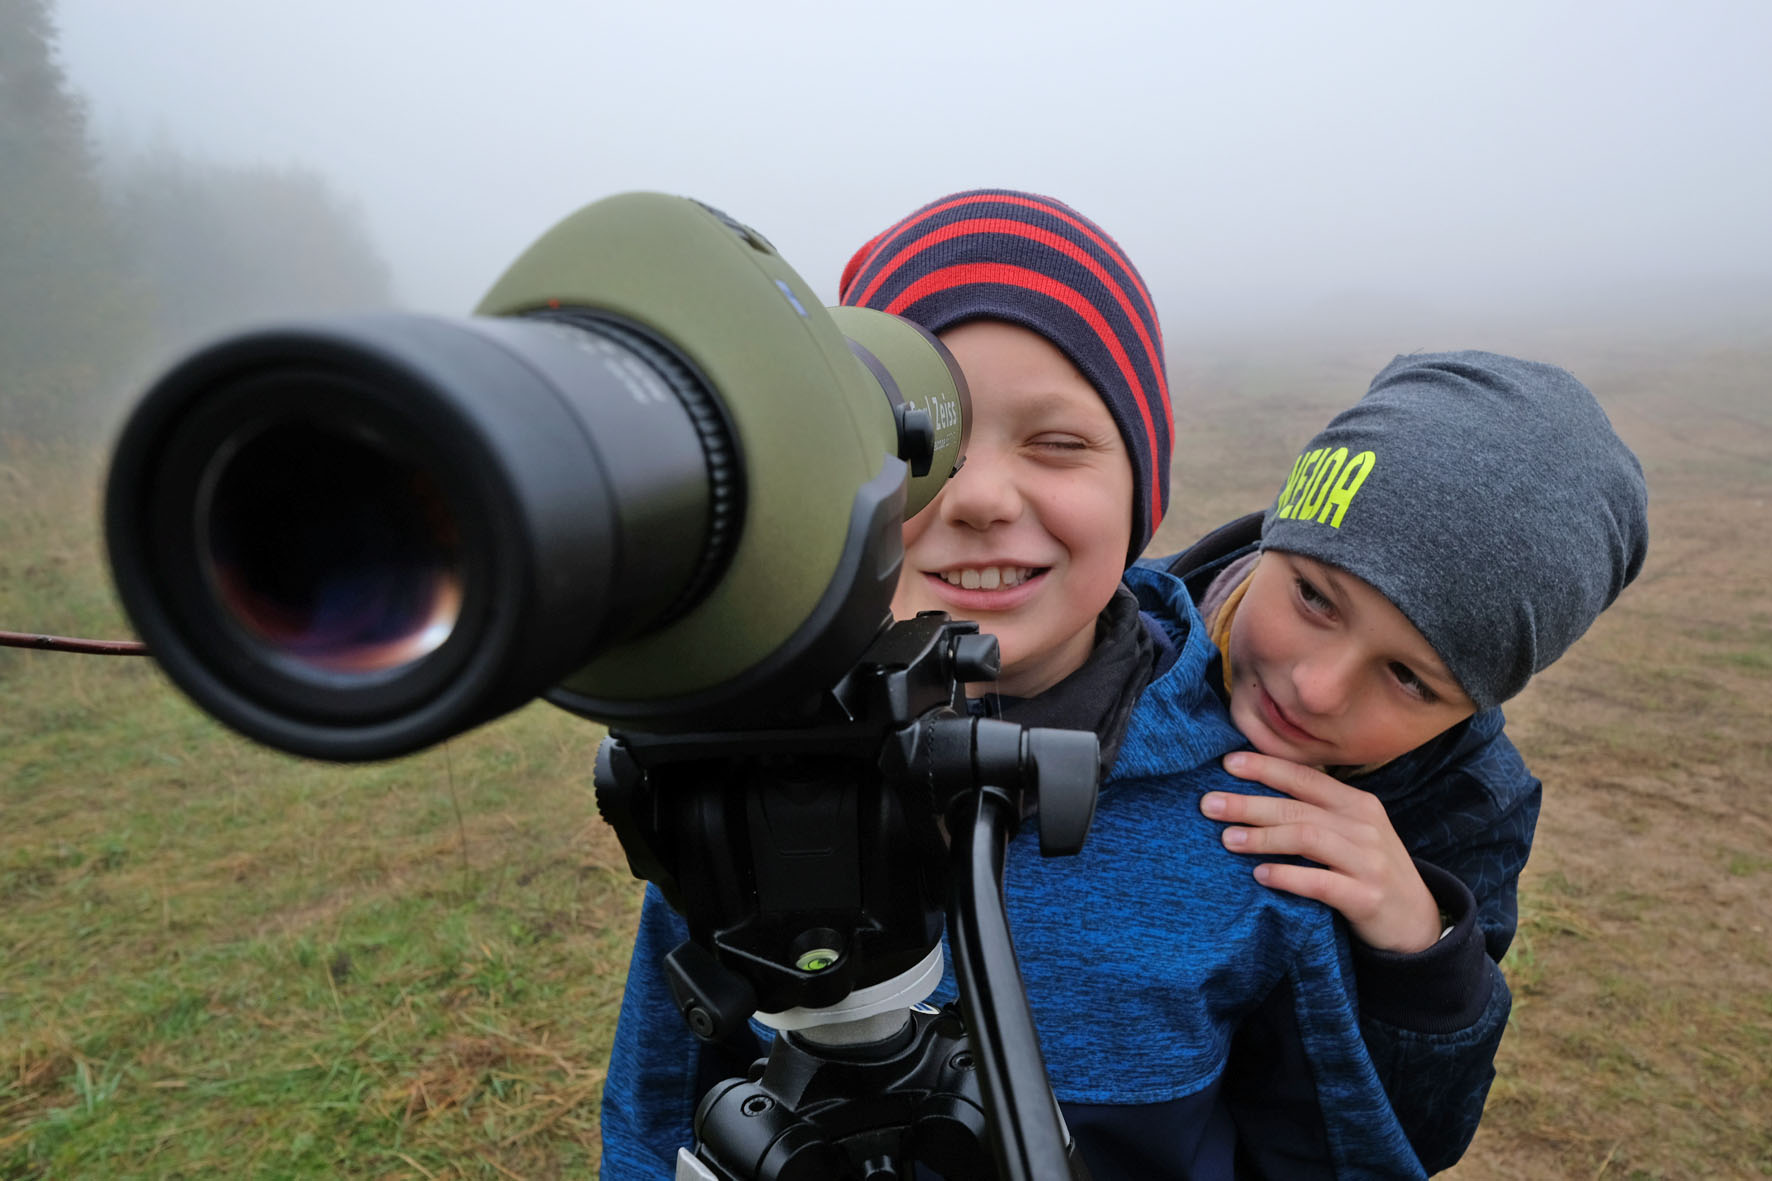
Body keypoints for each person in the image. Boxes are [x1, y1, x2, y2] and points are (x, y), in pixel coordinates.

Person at [598, 189, 1427, 1179]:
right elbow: (654, 1110)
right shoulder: (743, 780)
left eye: (1058, 441)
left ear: (1140, 487)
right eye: (917, 444)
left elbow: (1327, 1148)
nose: (982, 497)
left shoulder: (1245, 812)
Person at [1156, 351, 1648, 1171]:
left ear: (1476, 700)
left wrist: (1424, 951)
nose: (1317, 690)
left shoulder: (1471, 809)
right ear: (1282, 531)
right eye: (1315, 597)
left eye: (1410, 678)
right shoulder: (1108, 645)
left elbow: (1420, 1138)